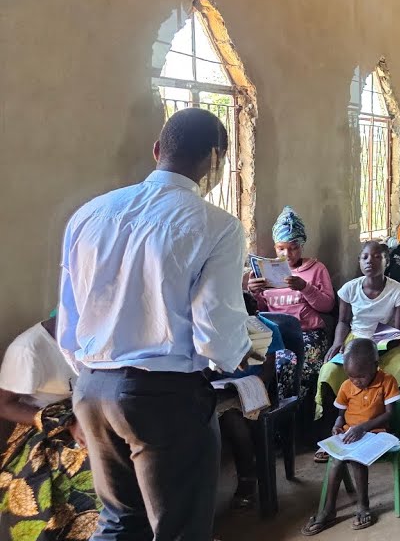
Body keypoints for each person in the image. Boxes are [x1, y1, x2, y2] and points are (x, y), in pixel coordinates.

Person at [59, 108, 255, 540]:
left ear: (156, 150)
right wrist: (236, 357)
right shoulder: (217, 226)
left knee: (118, 521)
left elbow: (68, 319)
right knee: (180, 527)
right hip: (163, 399)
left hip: (92, 390)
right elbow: (214, 333)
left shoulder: (89, 213)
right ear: (214, 160)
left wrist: (95, 373)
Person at [0, 314, 99, 540]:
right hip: (42, 428)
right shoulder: (28, 349)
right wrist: (66, 422)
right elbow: (4, 406)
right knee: (91, 471)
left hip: (89, 415)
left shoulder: (97, 340)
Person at [315, 241, 400, 448]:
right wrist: (338, 341)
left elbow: (398, 327)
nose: (370, 261)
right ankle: (334, 428)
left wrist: (381, 345)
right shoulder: (350, 289)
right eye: (365, 257)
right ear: (359, 261)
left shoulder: (397, 290)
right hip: (355, 342)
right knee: (329, 370)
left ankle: (388, 426)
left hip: (385, 343)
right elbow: (343, 321)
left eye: (377, 257)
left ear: (387, 261)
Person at [303, 338, 400, 535]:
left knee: (357, 461)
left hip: (377, 433)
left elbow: (389, 413)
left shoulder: (387, 381)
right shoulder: (347, 385)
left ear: (375, 365)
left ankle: (363, 505)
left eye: (361, 377)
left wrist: (363, 428)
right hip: (350, 434)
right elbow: (341, 414)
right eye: (351, 376)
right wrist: (338, 425)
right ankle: (329, 509)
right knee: (337, 460)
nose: (356, 382)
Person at [215, 293, 295, 510]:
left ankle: (247, 479)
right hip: (223, 390)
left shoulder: (266, 330)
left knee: (233, 420)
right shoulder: (219, 329)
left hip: (256, 390)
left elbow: (267, 374)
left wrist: (242, 389)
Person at [247, 205, 334, 400]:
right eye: (281, 248)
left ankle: (292, 412)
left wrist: (305, 287)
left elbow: (328, 305)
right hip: (272, 334)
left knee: (288, 364)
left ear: (302, 246)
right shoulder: (265, 270)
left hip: (307, 334)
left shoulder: (316, 269)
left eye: (293, 248)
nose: (287, 254)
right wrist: (255, 294)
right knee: (253, 362)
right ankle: (263, 412)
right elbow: (260, 312)